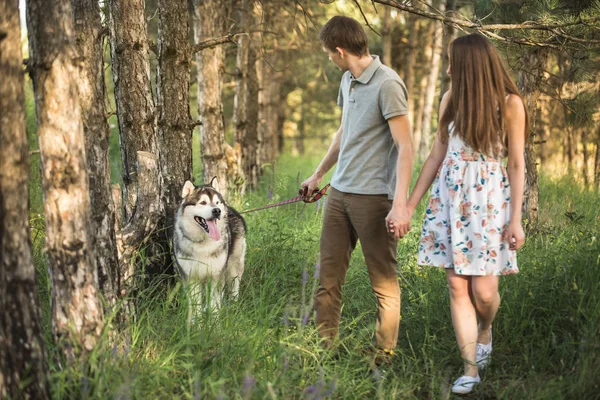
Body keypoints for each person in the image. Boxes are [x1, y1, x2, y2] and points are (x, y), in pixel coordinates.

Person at [403, 33, 527, 394]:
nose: (446, 68)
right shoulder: (450, 100)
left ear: (470, 66)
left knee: (484, 293)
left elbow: (517, 163)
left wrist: (516, 217)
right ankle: (470, 369)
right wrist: (411, 205)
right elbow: (435, 155)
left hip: (489, 203)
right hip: (450, 199)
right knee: (458, 285)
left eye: (452, 62)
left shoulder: (510, 104)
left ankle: (485, 328)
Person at [300, 15, 414, 359]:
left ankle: (383, 354)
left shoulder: (388, 85)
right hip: (339, 195)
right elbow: (343, 132)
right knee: (328, 279)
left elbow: (407, 148)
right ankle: (325, 349)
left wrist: (400, 204)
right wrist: (318, 174)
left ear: (339, 50)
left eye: (329, 55)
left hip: (375, 200)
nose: (330, 61)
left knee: (383, 283)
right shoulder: (348, 79)